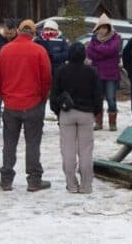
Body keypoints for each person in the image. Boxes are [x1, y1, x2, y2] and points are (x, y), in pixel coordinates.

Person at [0, 19, 52, 192]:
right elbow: (47, 78)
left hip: (11, 103)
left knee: (9, 143)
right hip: (33, 103)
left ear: (18, 31)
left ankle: (6, 178)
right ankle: (34, 180)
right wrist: (41, 97)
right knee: (33, 143)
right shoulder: (39, 51)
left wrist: (4, 96)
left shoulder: (5, 50)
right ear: (33, 33)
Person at [50, 42, 104, 194]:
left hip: (67, 113)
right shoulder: (91, 72)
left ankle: (71, 184)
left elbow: (54, 95)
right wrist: (95, 112)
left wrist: (58, 112)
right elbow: (98, 96)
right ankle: (86, 185)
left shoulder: (61, 71)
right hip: (86, 113)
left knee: (68, 150)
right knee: (86, 150)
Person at [86, 13, 122, 131]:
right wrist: (103, 53)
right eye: (101, 27)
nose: (102, 30)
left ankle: (112, 123)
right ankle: (98, 122)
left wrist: (99, 52)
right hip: (97, 74)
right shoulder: (93, 39)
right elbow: (90, 53)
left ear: (108, 28)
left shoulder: (115, 38)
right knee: (98, 98)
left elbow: (112, 50)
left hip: (111, 74)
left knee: (111, 98)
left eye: (105, 27)